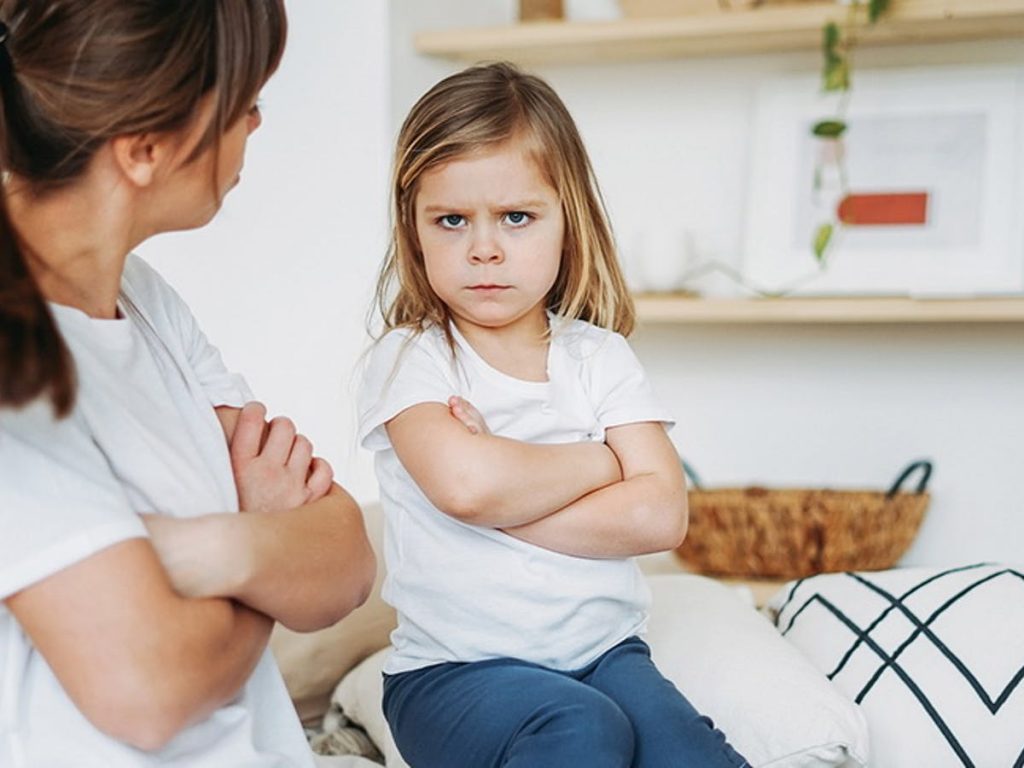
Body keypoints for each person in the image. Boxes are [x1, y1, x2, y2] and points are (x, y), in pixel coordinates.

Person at [0, 2, 375, 766]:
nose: (257, 128)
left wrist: (196, 551)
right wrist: (267, 555)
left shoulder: (141, 296)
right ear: (142, 150)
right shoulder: (18, 357)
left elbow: (346, 558)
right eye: (246, 105)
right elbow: (149, 690)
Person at [358, 62, 749, 768]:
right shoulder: (408, 360)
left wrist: (509, 487)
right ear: (413, 230)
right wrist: (605, 463)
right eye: (451, 220)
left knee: (688, 753)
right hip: (451, 675)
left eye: (517, 217)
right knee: (582, 728)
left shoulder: (599, 357)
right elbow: (469, 488)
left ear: (568, 221)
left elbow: (660, 517)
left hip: (604, 655)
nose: (484, 247)